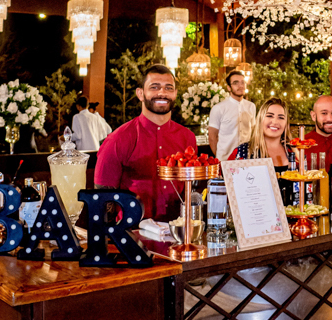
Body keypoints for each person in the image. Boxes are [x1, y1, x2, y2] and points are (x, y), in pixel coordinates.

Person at [94, 64, 196, 219]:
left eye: (168, 88)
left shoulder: (187, 137)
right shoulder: (118, 139)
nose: (162, 93)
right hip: (133, 231)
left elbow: (190, 188)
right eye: (154, 87)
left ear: (175, 94)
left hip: (179, 229)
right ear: (140, 94)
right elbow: (102, 197)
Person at [229, 98, 296, 169]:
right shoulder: (242, 151)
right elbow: (227, 174)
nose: (275, 122)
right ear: (260, 120)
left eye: (281, 117)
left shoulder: (295, 151)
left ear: (286, 123)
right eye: (269, 116)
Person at [208, 70, 257, 162]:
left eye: (242, 82)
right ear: (229, 88)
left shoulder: (251, 106)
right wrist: (219, 158)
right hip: (225, 160)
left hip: (246, 160)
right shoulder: (218, 108)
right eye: (235, 83)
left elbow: (254, 133)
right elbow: (212, 137)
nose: (240, 86)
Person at [71, 96, 102, 169]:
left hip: (84, 151)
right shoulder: (94, 117)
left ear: (78, 106)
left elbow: (78, 135)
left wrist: (67, 137)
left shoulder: (77, 117)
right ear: (88, 105)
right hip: (96, 149)